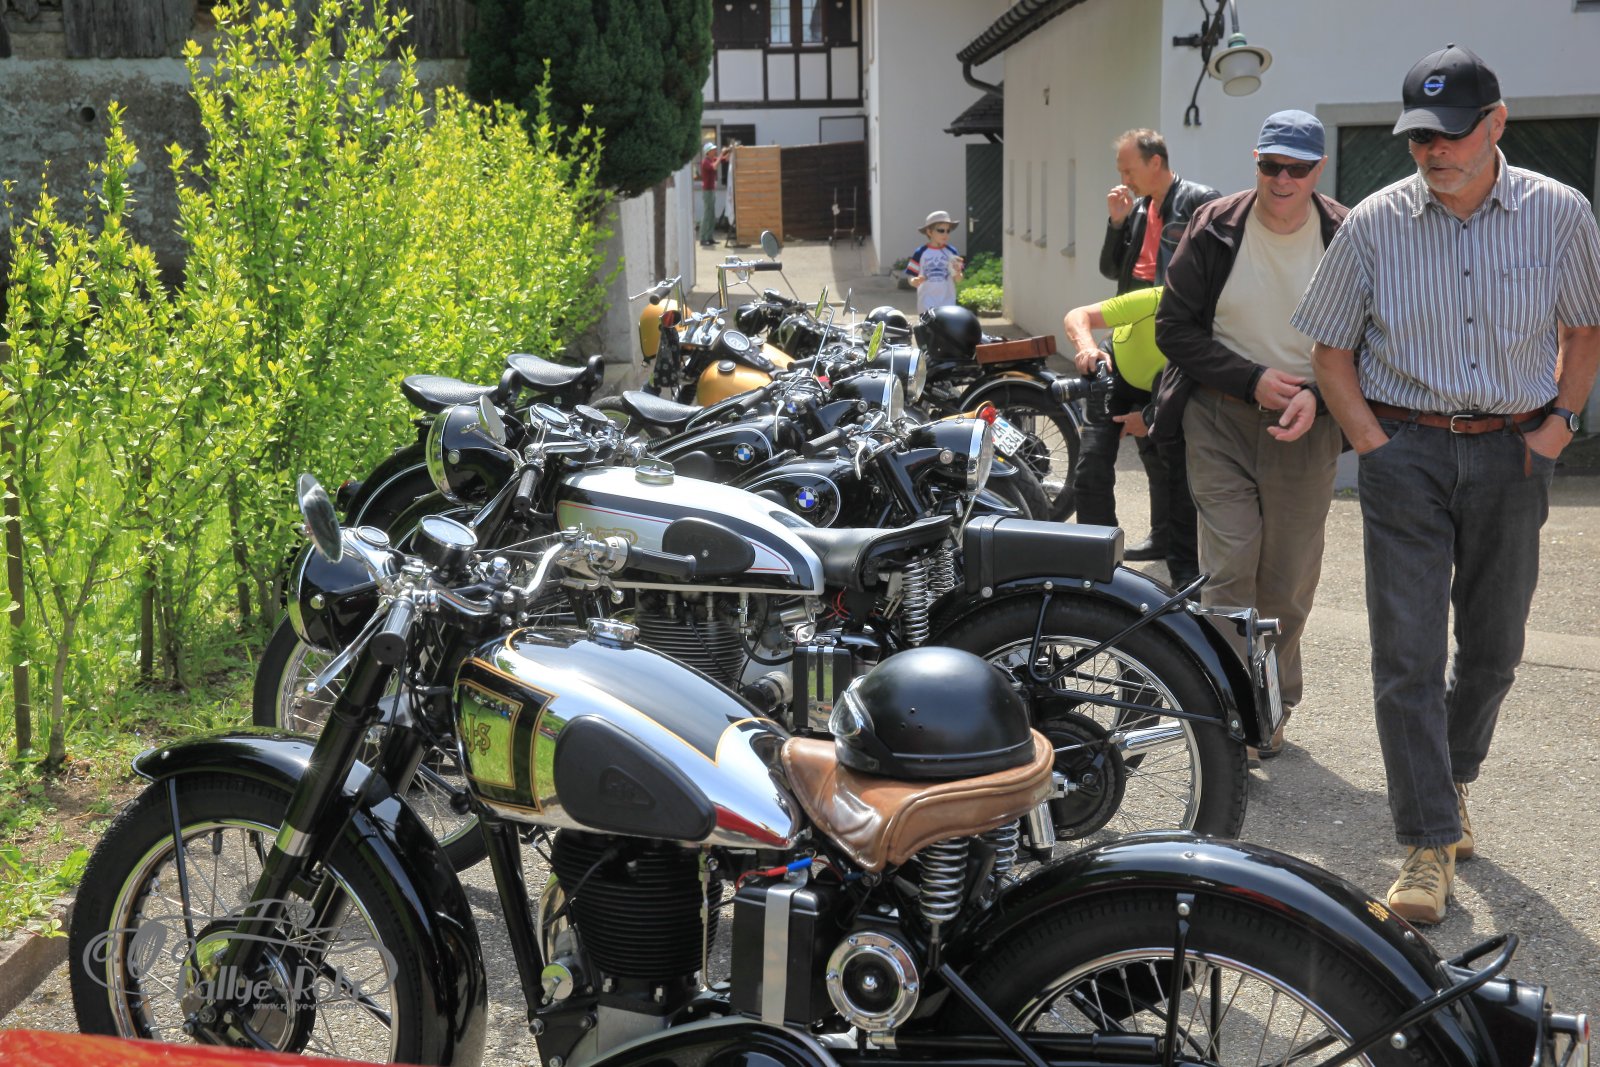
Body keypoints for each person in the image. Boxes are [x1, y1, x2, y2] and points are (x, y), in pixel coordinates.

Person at [1292, 44, 1600, 924]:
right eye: (1420, 136)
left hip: (1513, 451)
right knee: (1408, 655)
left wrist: (1558, 426)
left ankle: (1454, 776)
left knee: (1495, 648)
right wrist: (1372, 444)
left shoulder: (1560, 212)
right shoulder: (1374, 222)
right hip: (1408, 455)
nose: (1434, 152)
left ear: (1497, 124)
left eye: (1452, 133)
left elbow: (1585, 328)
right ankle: (1427, 839)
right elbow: (1329, 347)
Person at [1153, 110, 1348, 763]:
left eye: (1298, 168)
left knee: (1286, 580)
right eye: (1271, 165)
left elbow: (1375, 339)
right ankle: (1232, 706)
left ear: (1318, 169)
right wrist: (1250, 379)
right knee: (1230, 565)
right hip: (1219, 416)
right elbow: (1173, 328)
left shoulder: (1346, 233)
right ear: (1256, 162)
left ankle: (1275, 700)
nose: (1283, 179)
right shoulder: (1214, 226)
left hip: (1307, 424)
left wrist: (1317, 395)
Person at [1085, 129, 1218, 561]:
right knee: (1145, 446)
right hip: (1134, 336)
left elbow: (1215, 272)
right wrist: (1117, 222)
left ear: (1155, 162)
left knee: (1170, 446)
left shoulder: (1200, 200)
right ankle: (1150, 539)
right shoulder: (1138, 208)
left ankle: (1182, 552)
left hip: (1173, 338)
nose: (1123, 179)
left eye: (1129, 170)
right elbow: (1111, 270)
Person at [1063, 287, 1197, 586]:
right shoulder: (1155, 298)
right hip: (1116, 371)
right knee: (1092, 464)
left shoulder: (1220, 315)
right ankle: (1097, 563)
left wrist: (1149, 418)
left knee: (1176, 468)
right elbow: (1078, 315)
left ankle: (1184, 571)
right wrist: (1087, 348)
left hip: (1169, 387)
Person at [905, 211, 964, 315]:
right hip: (926, 305)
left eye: (948, 231)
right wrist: (914, 281)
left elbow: (958, 279)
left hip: (948, 305)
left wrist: (958, 272)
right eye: (941, 230)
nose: (945, 234)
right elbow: (911, 276)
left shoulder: (951, 251)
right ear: (929, 232)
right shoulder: (920, 252)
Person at [698, 142, 729, 247]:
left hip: (711, 190)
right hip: (707, 191)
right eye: (712, 150)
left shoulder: (711, 159)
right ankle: (703, 238)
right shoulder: (705, 162)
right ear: (708, 152)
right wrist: (721, 154)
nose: (714, 151)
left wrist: (729, 151)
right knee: (707, 214)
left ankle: (709, 237)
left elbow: (724, 159)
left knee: (711, 215)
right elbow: (715, 167)